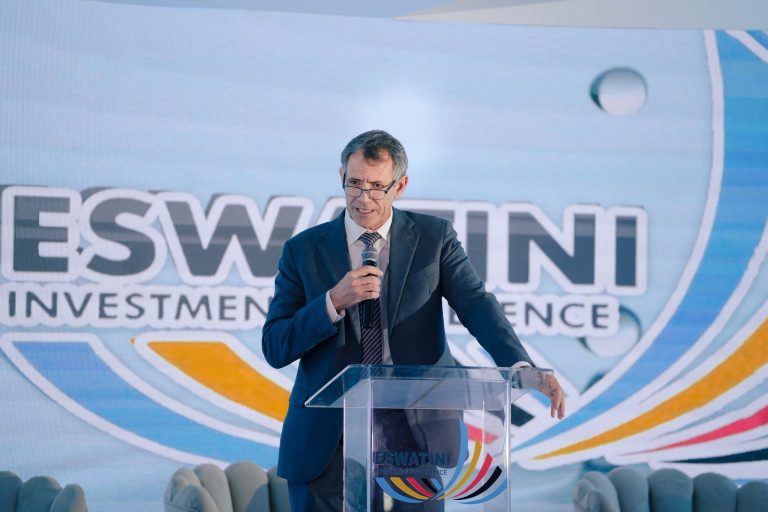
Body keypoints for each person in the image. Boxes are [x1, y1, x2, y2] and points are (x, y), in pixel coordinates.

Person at [262, 130, 565, 512]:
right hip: (328, 437)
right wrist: (332, 302)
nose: (363, 197)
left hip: (419, 429)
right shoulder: (303, 249)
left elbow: (475, 303)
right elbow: (275, 345)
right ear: (341, 176)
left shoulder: (433, 238)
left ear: (400, 186)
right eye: (354, 183)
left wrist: (520, 365)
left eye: (377, 187)